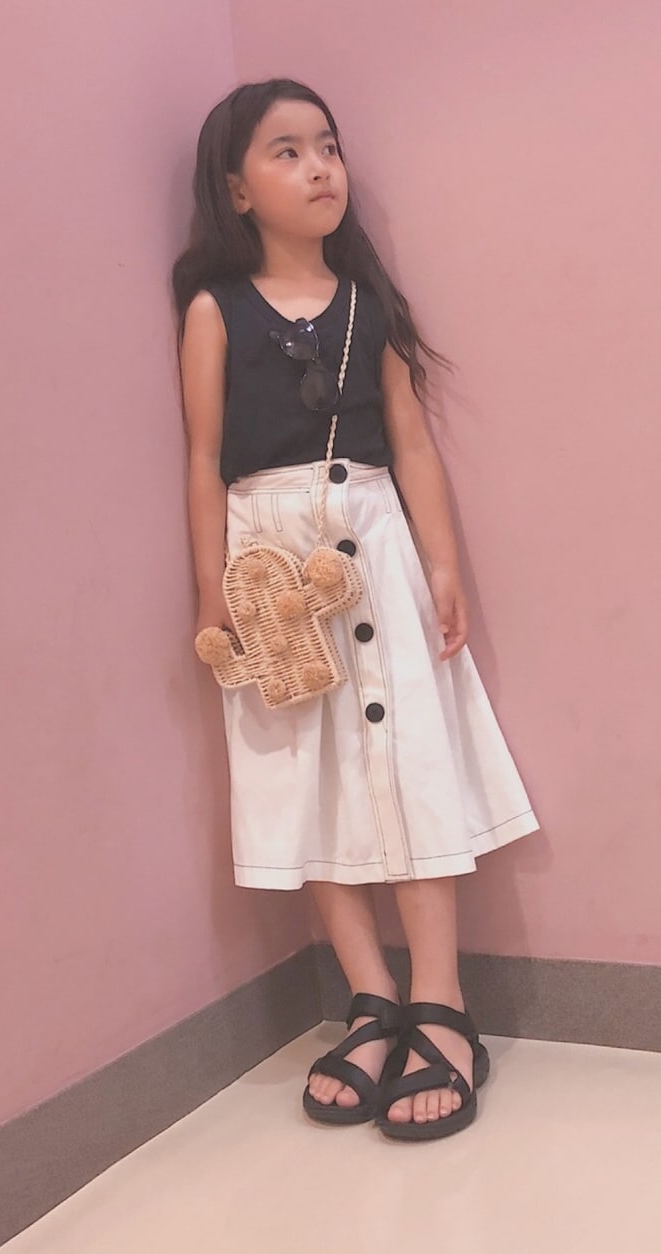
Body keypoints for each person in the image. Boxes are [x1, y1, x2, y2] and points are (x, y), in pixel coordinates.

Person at [173, 79, 539, 1142]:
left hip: (374, 548)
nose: (319, 167)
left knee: (407, 763)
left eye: (327, 145)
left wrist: (442, 564)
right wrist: (213, 593)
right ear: (238, 190)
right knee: (310, 777)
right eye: (286, 151)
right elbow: (202, 456)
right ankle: (369, 998)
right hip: (268, 564)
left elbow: (410, 441)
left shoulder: (367, 305)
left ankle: (441, 1003)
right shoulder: (213, 311)